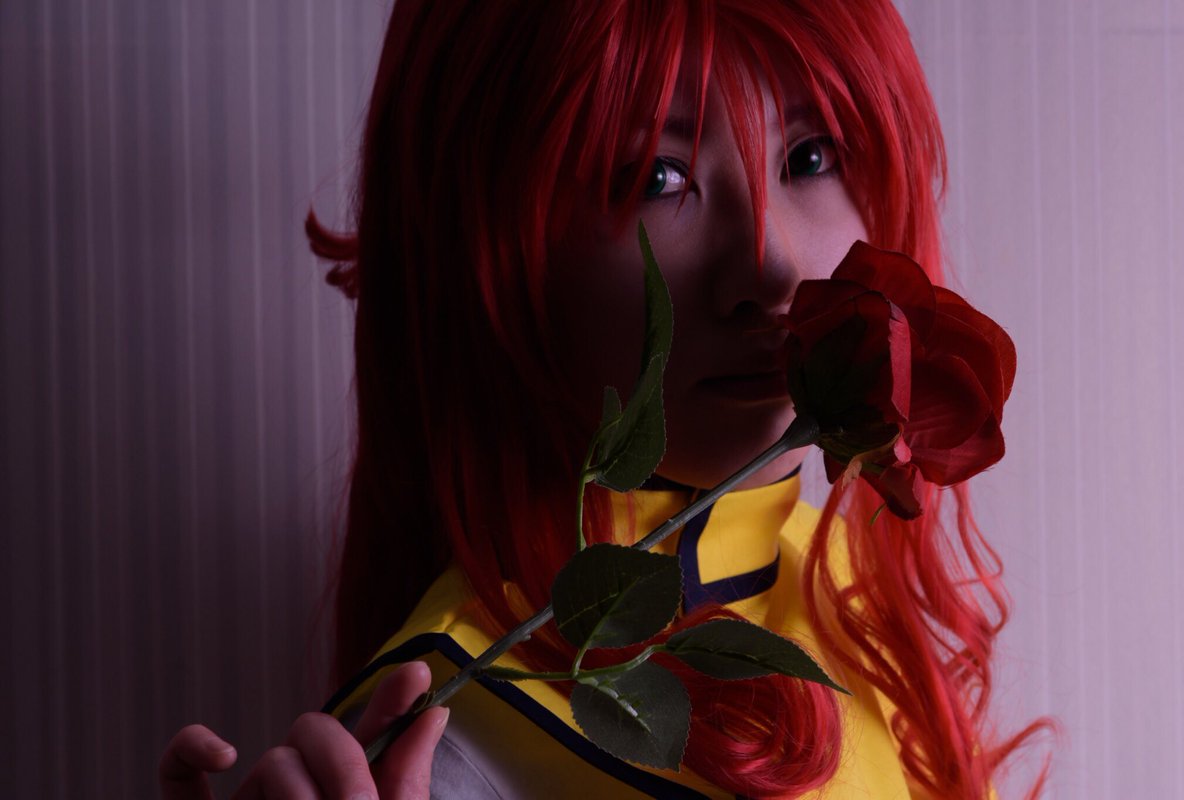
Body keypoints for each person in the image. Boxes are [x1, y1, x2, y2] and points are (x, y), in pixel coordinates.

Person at [161, 1, 1052, 797]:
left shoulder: (844, 580)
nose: (772, 269)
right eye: (657, 178)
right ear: (479, 248)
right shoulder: (455, 723)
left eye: (809, 157)